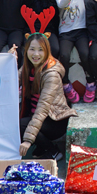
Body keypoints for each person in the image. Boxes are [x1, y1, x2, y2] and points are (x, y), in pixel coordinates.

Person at [11, 33, 78, 161]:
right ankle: (42, 145)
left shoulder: (51, 74)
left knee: (20, 125)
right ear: (26, 50)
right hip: (37, 115)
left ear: (47, 51)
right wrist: (9, 61)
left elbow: (42, 108)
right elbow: (10, 82)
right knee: (13, 121)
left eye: (40, 50)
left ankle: (53, 152)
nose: (36, 54)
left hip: (55, 119)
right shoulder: (27, 66)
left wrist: (28, 140)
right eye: (32, 49)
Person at [54, 0, 96, 103]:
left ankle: (91, 82)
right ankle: (66, 84)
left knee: (85, 54)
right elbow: (62, 4)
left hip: (81, 31)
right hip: (65, 33)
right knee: (64, 56)